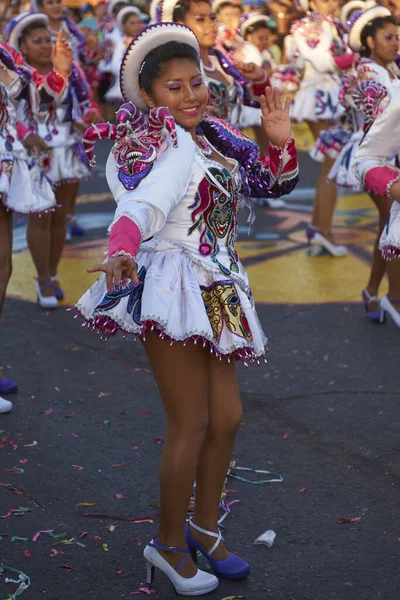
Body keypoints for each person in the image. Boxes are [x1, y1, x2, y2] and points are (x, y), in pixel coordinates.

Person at [76, 21, 299, 597]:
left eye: (195, 81)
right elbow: (141, 207)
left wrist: (277, 140)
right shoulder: (164, 147)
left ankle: (203, 526)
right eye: (174, 87)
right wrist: (121, 250)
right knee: (191, 422)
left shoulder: (213, 136)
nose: (192, 94)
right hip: (175, 290)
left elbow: (268, 184)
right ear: (150, 98)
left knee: (227, 418)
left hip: (220, 289)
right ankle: (169, 545)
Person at [0, 23, 72, 410]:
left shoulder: (6, 57)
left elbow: (31, 103)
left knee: (2, 268)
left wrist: (60, 71)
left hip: (7, 161)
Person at [6, 11, 99, 305]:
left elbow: (85, 104)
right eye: (37, 41)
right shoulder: (16, 75)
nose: (46, 45)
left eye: (49, 39)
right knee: (40, 215)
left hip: (65, 147)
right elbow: (14, 114)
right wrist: (25, 136)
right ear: (21, 45)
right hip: (32, 151)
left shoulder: (71, 72)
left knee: (59, 217)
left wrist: (90, 119)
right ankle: (43, 278)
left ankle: (53, 273)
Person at [288, 0, 356, 257]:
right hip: (321, 99)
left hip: (331, 96)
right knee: (332, 164)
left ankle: (317, 227)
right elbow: (321, 61)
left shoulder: (331, 24)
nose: (331, 3)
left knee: (330, 165)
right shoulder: (310, 27)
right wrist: (358, 57)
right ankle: (323, 231)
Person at [351, 9, 400, 326]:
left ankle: (373, 291)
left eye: (398, 37)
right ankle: (392, 296)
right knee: (391, 225)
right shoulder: (369, 73)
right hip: (378, 155)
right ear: (368, 41)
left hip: (387, 155)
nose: (395, 42)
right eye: (388, 37)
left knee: (388, 224)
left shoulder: (391, 68)